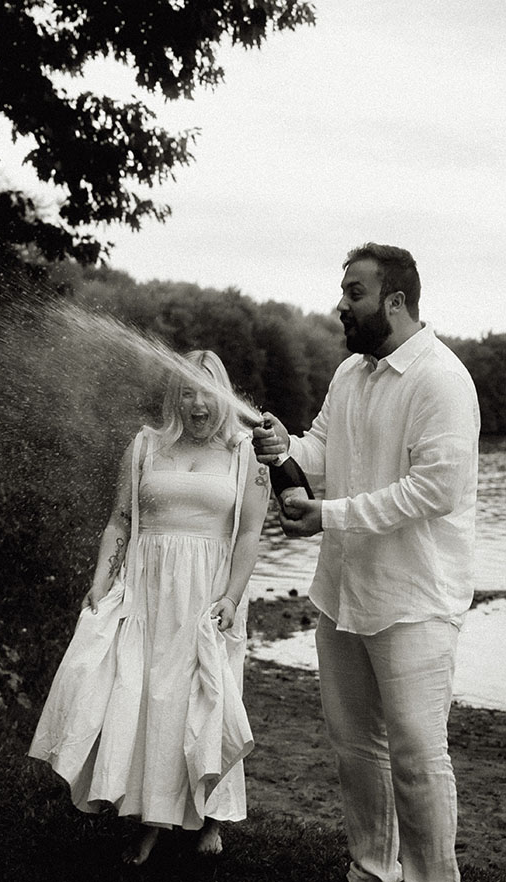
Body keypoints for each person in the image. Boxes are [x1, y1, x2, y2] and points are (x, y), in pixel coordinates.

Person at [253, 244, 480, 882]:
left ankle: (433, 877)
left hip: (416, 602)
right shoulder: (351, 373)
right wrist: (283, 448)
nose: (341, 304)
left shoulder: (442, 379)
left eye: (354, 292)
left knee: (415, 757)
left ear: (396, 301)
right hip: (342, 594)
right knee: (356, 751)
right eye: (343, 291)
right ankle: (372, 869)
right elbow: (319, 448)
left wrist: (325, 514)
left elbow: (432, 493)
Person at [29, 350, 269, 864]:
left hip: (208, 594)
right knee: (140, 698)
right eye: (186, 391)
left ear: (223, 395)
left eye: (206, 391)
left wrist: (230, 597)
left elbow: (250, 533)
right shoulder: (145, 446)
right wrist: (100, 582)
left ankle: (205, 816)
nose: (197, 402)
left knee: (201, 701)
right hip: (145, 588)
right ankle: (148, 819)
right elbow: (119, 520)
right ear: (173, 397)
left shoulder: (246, 453)